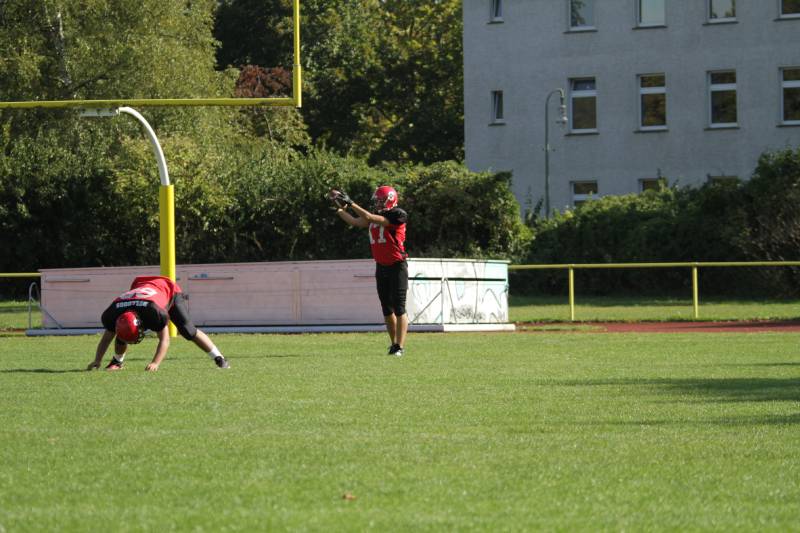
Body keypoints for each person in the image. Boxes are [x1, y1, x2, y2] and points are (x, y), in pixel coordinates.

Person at [87, 275, 230, 372]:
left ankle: (219, 358)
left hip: (168, 289)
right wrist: (97, 360)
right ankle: (117, 362)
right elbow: (106, 338)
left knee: (188, 330)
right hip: (141, 284)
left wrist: (155, 362)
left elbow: (165, 339)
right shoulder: (113, 314)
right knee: (122, 332)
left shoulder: (154, 313)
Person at [329, 186, 409, 356]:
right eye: (377, 201)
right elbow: (355, 221)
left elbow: (370, 217)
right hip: (381, 266)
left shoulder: (398, 214)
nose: (378, 204)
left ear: (390, 200)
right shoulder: (375, 216)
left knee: (399, 308)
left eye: (381, 201)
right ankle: (393, 344)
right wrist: (339, 207)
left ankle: (399, 347)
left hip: (397, 266)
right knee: (386, 309)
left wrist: (351, 203)